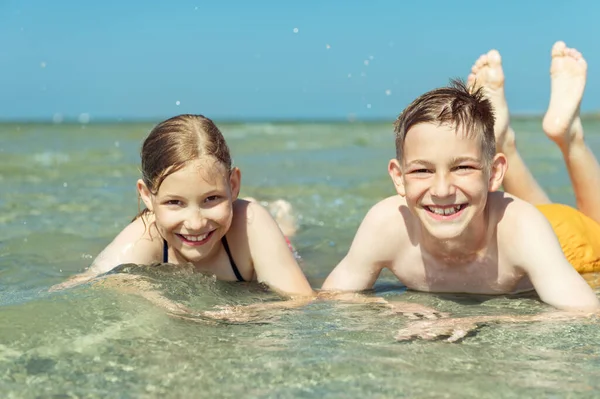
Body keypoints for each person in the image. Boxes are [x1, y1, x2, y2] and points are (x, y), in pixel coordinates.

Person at [322, 41, 600, 322]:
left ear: (494, 174)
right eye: (422, 171)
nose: (442, 190)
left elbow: (586, 312)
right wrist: (392, 307)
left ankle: (570, 137)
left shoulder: (524, 229)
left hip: (567, 241)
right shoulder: (386, 225)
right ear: (398, 177)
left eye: (462, 167)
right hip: (500, 210)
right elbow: (332, 299)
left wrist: (478, 319)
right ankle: (501, 139)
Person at [51, 114, 314, 302]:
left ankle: (284, 221)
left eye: (211, 199)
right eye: (174, 202)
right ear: (147, 196)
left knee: (286, 236)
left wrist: (241, 313)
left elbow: (301, 301)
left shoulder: (252, 224)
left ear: (233, 185)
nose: (196, 222)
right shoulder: (143, 236)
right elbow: (85, 285)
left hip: (258, 235)